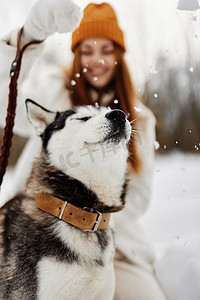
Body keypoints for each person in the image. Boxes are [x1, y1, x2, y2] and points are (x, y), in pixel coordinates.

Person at [0, 1, 167, 299]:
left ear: (119, 54)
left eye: (106, 50)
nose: (96, 60)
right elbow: (4, 106)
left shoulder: (140, 118)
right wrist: (29, 38)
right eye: (87, 51)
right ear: (77, 56)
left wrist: (90, 218)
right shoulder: (55, 94)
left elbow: (139, 195)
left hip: (116, 242)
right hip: (39, 228)